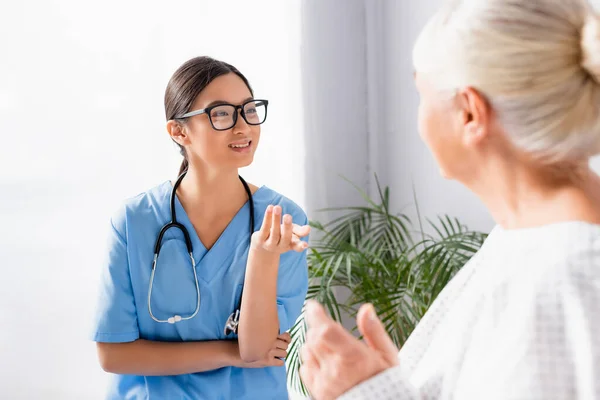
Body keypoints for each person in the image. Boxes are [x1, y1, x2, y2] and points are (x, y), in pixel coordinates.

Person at [299, 0, 600, 398]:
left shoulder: (559, 276)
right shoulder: (526, 241)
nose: (419, 119)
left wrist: (365, 393)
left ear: (470, 114)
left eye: (422, 94)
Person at [91, 56, 310, 399]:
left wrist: (263, 255)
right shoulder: (135, 222)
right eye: (221, 113)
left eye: (249, 109)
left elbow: (258, 350)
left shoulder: (282, 219)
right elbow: (113, 353)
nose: (244, 127)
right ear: (178, 131)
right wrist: (227, 352)